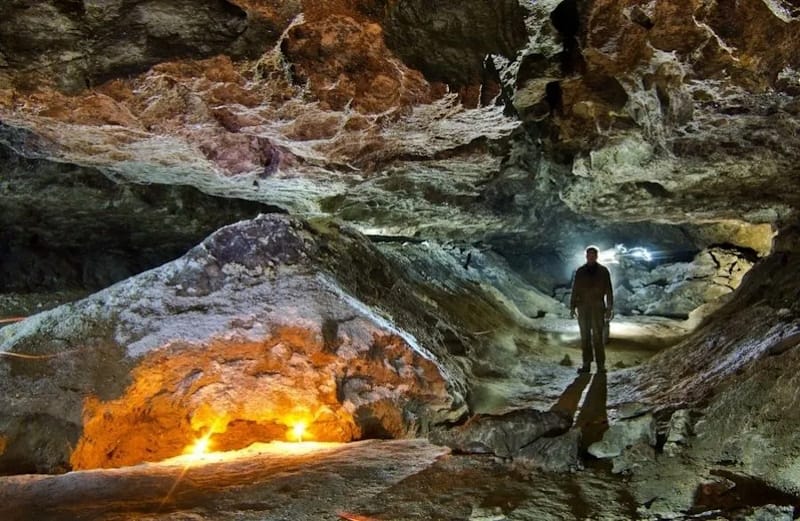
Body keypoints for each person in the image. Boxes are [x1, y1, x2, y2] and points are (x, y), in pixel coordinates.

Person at [570, 246, 614, 374]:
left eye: (593, 255)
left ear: (596, 256)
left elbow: (609, 290)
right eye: (589, 255)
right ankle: (586, 364)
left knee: (598, 336)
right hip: (583, 307)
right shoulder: (580, 271)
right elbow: (575, 289)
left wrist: (609, 308)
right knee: (585, 336)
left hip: (597, 307)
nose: (591, 257)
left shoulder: (603, 271)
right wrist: (572, 306)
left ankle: (600, 365)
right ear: (586, 256)